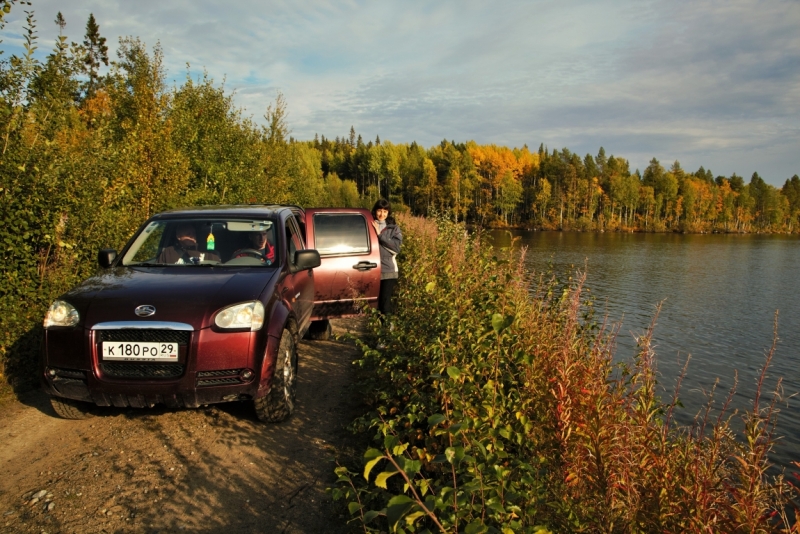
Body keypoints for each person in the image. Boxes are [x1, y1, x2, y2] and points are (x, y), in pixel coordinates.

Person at [371, 199, 402, 315]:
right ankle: (379, 330)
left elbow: (396, 247)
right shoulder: (369, 224)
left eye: (385, 211)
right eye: (379, 210)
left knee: (385, 303)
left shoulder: (393, 228)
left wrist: (380, 235)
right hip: (372, 269)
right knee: (375, 304)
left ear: (388, 213)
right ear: (375, 211)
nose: (382, 214)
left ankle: (388, 329)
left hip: (388, 270)